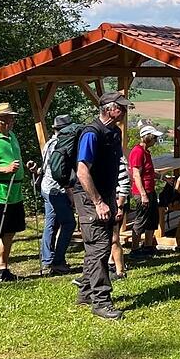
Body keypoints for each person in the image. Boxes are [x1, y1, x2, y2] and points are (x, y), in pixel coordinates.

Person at [73, 92, 127, 320]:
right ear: (108, 109)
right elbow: (82, 170)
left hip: (106, 195)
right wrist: (98, 202)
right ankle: (101, 302)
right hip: (90, 199)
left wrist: (113, 196)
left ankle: (86, 293)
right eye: (121, 108)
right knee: (99, 248)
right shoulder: (91, 133)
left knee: (99, 247)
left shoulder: (113, 132)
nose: (124, 112)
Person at [0, 103, 26, 282]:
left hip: (15, 193)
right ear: (0, 119)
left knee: (9, 232)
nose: (13, 120)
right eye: (10, 117)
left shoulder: (11, 135)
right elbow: (4, 166)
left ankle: (3, 269)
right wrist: (4, 169)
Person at [38, 114, 76, 276]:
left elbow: (46, 167)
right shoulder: (62, 144)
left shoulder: (49, 143)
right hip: (57, 189)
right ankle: (58, 261)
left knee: (51, 223)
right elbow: (59, 172)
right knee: (69, 223)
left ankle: (47, 259)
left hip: (46, 187)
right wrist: (70, 192)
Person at [128, 125, 164, 259]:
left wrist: (163, 177)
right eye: (154, 137)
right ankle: (135, 249)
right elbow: (136, 175)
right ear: (147, 137)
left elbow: (149, 172)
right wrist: (143, 194)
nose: (156, 140)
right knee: (141, 220)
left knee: (152, 220)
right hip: (142, 192)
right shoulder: (137, 152)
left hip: (150, 190)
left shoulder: (146, 152)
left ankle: (148, 246)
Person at [109, 156, 131, 280]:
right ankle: (111, 263)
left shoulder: (118, 160)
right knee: (110, 238)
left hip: (116, 203)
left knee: (114, 238)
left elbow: (125, 184)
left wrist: (120, 206)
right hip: (109, 202)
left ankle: (120, 271)